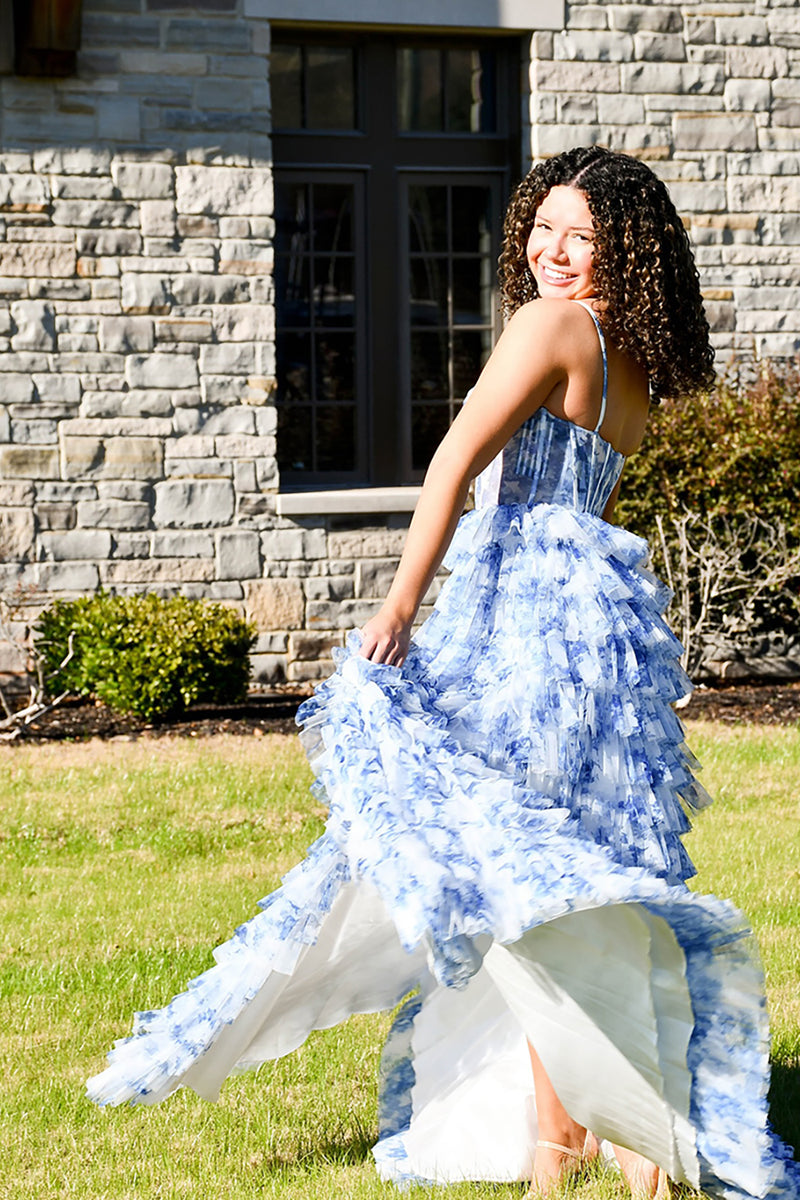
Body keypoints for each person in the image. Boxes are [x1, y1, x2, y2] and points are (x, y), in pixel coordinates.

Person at [87, 147, 799, 1200]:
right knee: (558, 878)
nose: (551, 252)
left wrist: (401, 602)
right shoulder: (631, 351)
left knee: (508, 870)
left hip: (517, 617)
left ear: (621, 251)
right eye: (540, 229)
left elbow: (452, 460)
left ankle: (590, 1139)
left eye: (580, 237)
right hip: (594, 631)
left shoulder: (548, 326)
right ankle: (606, 1140)